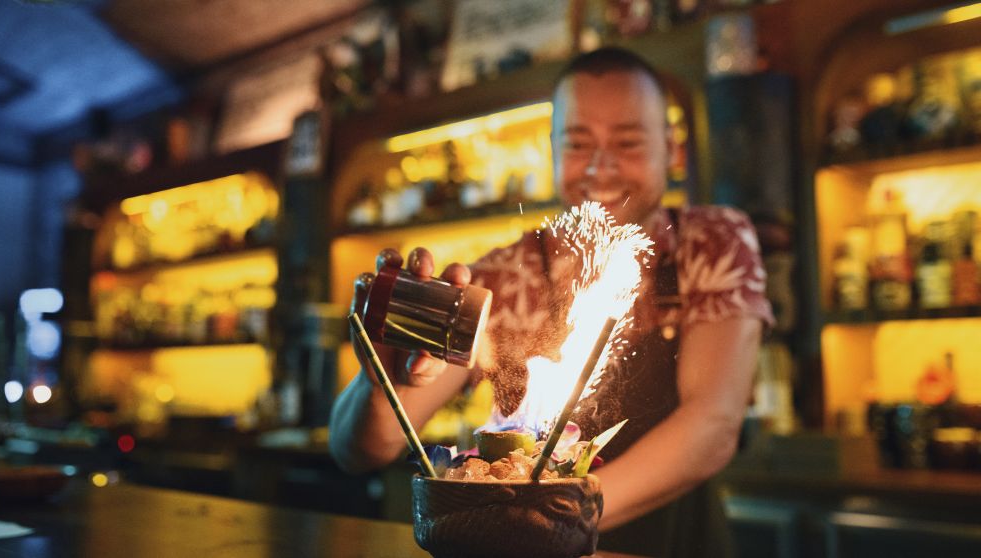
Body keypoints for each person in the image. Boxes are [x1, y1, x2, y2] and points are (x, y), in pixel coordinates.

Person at [330, 47, 773, 557]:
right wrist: (378, 378)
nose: (601, 167)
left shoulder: (710, 243)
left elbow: (712, 428)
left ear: (673, 150)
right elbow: (364, 448)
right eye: (579, 143)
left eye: (627, 142)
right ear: (553, 151)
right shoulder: (502, 277)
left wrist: (549, 519)